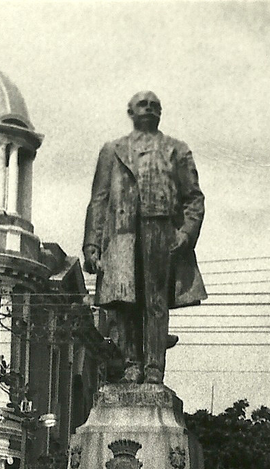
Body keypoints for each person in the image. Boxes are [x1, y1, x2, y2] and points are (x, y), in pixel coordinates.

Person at [83, 91, 207, 384]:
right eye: (143, 105)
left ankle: (153, 368)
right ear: (130, 111)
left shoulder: (176, 150)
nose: (149, 109)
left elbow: (194, 198)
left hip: (160, 230)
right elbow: (98, 200)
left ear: (161, 113)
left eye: (155, 105)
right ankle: (131, 365)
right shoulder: (112, 150)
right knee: (125, 302)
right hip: (121, 234)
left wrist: (186, 233)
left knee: (155, 300)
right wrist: (92, 244)